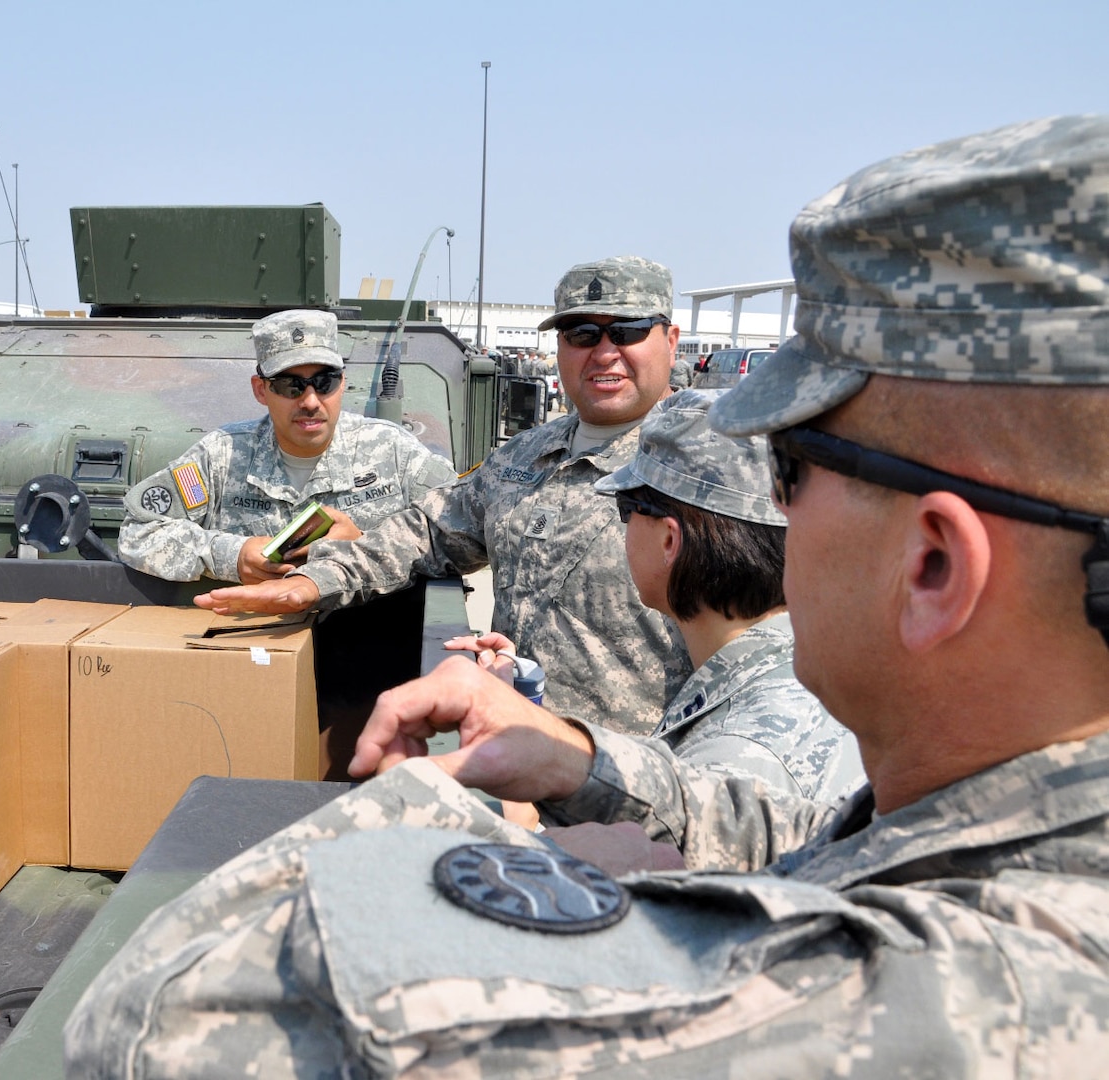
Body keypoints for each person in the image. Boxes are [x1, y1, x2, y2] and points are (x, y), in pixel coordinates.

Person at [64, 115, 1109, 1075]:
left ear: (934, 566)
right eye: (580, 332)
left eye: (789, 479)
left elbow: (146, 1027)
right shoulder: (959, 811)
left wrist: (424, 818)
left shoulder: (928, 992)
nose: (602, 351)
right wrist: (571, 755)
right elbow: (780, 822)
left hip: (600, 865)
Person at [195, 257, 693, 734]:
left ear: (670, 340)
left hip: (640, 785)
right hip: (512, 755)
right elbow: (427, 532)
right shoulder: (524, 456)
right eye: (581, 334)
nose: (604, 352)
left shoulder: (711, 464)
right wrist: (314, 581)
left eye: (627, 331)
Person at [456, 387, 864, 800]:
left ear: (670, 541)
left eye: (627, 507)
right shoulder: (817, 673)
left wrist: (517, 808)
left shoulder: (732, 761)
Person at [118, 308, 456, 583]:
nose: (310, 401)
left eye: (324, 382)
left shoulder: (394, 452)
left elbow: (460, 535)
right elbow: (138, 533)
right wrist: (229, 555)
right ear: (261, 390)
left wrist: (366, 547)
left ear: (343, 384)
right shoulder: (221, 457)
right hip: (256, 647)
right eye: (290, 385)